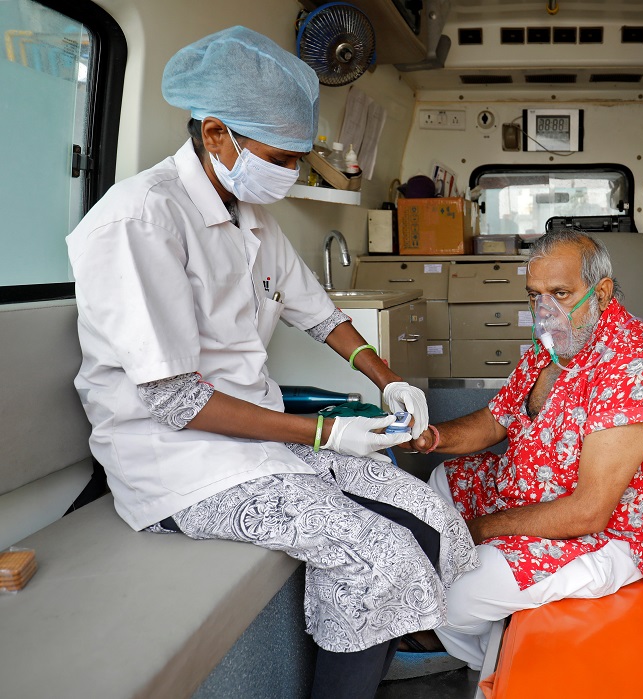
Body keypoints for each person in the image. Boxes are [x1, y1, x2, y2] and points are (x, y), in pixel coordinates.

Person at [65, 26, 477, 699]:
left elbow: (323, 315)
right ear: (218, 134)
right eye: (279, 156)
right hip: (177, 464)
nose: (288, 172)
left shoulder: (251, 215)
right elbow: (177, 403)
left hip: (255, 443)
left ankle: (391, 640)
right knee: (379, 554)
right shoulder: (140, 219)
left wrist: (388, 377)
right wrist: (325, 432)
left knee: (424, 510)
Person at [407, 229, 643, 670]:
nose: (545, 311)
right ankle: (482, 627)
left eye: (560, 293)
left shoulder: (635, 368)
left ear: (602, 292)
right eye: (535, 295)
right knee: (442, 482)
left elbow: (589, 510)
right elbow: (495, 419)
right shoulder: (554, 345)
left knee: (455, 593)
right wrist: (430, 437)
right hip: (535, 491)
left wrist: (480, 529)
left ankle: (485, 661)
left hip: (609, 534)